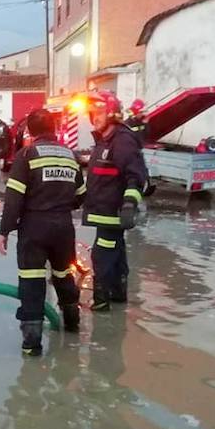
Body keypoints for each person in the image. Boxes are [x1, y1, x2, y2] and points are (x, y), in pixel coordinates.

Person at [0, 108, 85, 356]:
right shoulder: (70, 156)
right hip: (64, 228)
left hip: (34, 228)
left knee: (32, 282)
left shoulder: (26, 155)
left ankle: (31, 345)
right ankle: (72, 323)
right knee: (63, 274)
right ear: (54, 129)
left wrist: (3, 231)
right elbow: (81, 196)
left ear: (29, 131)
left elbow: (14, 199)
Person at [82, 90, 149, 311]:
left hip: (112, 214)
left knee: (101, 256)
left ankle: (101, 301)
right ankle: (118, 294)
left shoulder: (122, 140)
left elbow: (137, 177)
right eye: (92, 113)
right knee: (117, 254)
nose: (95, 117)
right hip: (104, 213)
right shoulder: (105, 141)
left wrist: (129, 205)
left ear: (111, 113)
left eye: (99, 112)